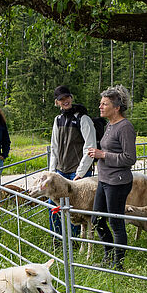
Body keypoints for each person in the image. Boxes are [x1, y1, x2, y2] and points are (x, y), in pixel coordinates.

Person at [87, 86, 138, 267]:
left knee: (115, 222)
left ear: (116, 107)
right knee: (97, 219)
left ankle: (118, 264)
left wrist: (103, 155)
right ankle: (108, 256)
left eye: (104, 104)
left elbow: (130, 158)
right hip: (105, 179)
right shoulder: (110, 125)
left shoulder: (125, 127)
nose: (100, 107)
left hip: (118, 182)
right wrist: (97, 152)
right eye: (101, 103)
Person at [48, 85, 97, 240]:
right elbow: (54, 147)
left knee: (77, 209)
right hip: (60, 171)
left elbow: (90, 147)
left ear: (71, 97)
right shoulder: (57, 120)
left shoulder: (83, 119)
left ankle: (74, 241)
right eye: (61, 99)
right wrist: (51, 172)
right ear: (57, 102)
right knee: (53, 205)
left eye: (67, 97)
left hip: (77, 171)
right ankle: (57, 238)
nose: (65, 101)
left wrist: (80, 173)